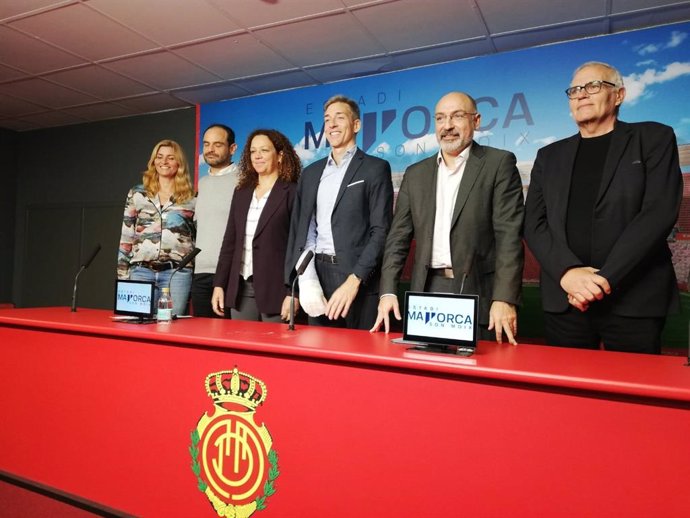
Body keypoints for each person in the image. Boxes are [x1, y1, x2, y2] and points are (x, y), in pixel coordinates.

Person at [524, 61, 682, 354]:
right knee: (568, 395)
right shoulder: (549, 156)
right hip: (566, 299)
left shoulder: (653, 138)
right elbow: (534, 224)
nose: (582, 94)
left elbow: (658, 213)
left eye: (593, 86)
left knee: (633, 393)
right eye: (575, 90)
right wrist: (568, 273)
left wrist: (601, 280)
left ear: (619, 95)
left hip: (635, 298)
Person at [371, 91, 524, 344]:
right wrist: (387, 291)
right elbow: (398, 237)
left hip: (480, 294)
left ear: (476, 121)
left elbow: (509, 236)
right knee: (428, 379)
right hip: (427, 293)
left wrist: (504, 298)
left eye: (457, 116)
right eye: (440, 118)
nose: (447, 126)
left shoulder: (499, 164)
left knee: (478, 377)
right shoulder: (415, 174)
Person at [285, 94, 393, 330]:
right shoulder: (311, 173)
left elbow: (381, 231)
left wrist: (354, 280)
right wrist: (301, 281)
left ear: (356, 125)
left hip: (358, 278)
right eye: (327, 119)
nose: (331, 124)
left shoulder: (375, 168)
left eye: (339, 117)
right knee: (320, 357)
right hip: (317, 277)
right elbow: (301, 229)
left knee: (360, 356)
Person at [212, 129, 302, 321]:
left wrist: (294, 292)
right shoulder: (242, 192)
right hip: (241, 290)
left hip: (278, 290)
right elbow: (230, 241)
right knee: (241, 350)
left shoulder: (293, 192)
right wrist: (219, 284)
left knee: (276, 349)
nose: (257, 156)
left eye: (264, 150)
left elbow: (299, 247)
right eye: (253, 151)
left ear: (279, 155)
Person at [117, 139, 196, 315]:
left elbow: (198, 237)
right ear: (153, 161)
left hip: (177, 273)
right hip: (141, 272)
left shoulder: (192, 197)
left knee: (171, 329)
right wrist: (122, 277)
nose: (164, 162)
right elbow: (126, 237)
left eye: (170, 157)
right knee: (137, 326)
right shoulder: (137, 193)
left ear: (179, 163)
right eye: (159, 157)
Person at [191, 124, 239, 317]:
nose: (210, 149)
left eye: (217, 144)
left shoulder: (244, 180)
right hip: (200, 273)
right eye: (206, 144)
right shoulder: (201, 184)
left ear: (232, 148)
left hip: (230, 274)